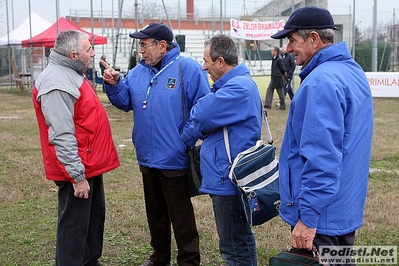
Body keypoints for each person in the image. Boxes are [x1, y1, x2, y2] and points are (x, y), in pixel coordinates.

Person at [101, 22, 210, 266]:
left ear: (162, 46)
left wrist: (185, 139)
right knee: (155, 214)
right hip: (147, 158)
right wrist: (114, 85)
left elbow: (203, 109)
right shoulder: (137, 72)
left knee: (180, 216)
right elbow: (124, 102)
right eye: (139, 45)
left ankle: (189, 260)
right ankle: (159, 257)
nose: (141, 50)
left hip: (174, 158)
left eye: (144, 45)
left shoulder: (188, 69)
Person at [270, 5, 374, 258]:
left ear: (314, 39)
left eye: (293, 40)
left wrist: (308, 218)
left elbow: (322, 159)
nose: (288, 48)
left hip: (323, 216)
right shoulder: (353, 71)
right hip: (342, 206)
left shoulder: (320, 82)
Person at [32, 30, 120, 265]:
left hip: (87, 163)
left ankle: (90, 261)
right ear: (74, 54)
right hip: (77, 168)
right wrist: (77, 176)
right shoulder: (57, 82)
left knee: (92, 222)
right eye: (88, 49)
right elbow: (61, 134)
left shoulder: (71, 72)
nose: (93, 53)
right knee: (74, 228)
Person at [182, 35, 261, 265]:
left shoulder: (238, 88)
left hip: (229, 179)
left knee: (234, 245)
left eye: (206, 61)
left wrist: (201, 115)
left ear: (220, 62)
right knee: (240, 239)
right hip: (227, 175)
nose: (203, 66)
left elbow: (201, 114)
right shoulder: (234, 86)